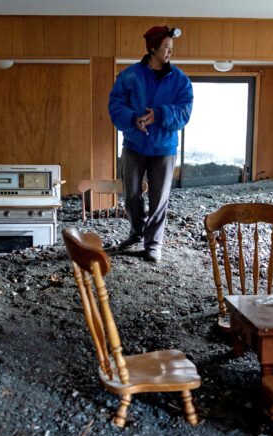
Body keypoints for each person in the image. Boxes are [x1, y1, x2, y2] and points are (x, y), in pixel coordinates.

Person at [108, 25, 193, 263]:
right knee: (132, 193)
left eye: (171, 48)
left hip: (164, 148)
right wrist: (133, 120)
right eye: (166, 47)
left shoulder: (180, 80)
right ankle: (136, 234)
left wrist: (160, 114)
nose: (169, 52)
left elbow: (184, 112)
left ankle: (153, 244)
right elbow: (115, 106)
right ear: (152, 48)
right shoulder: (129, 76)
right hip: (134, 144)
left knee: (159, 198)